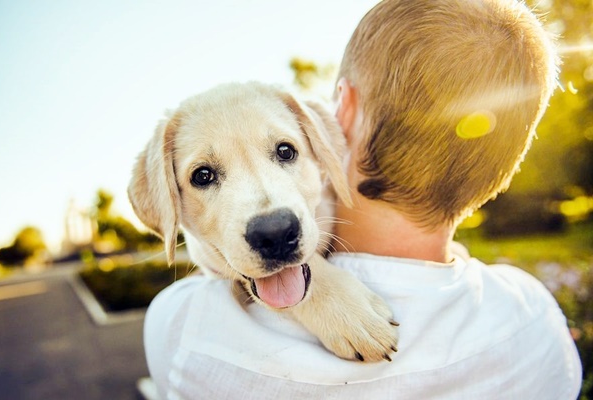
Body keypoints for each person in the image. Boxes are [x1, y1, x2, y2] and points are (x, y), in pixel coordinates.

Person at [143, 0, 582, 398]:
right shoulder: (535, 318)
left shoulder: (184, 331)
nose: (269, 215)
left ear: (341, 114)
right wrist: (316, 289)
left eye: (284, 152)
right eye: (204, 176)